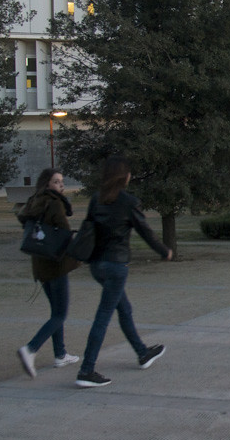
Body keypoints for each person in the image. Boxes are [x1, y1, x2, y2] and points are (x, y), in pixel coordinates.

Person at [74, 155, 173, 388]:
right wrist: (164, 250)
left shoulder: (96, 200)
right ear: (124, 176)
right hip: (116, 266)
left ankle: (142, 352)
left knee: (124, 309)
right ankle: (86, 370)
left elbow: (87, 229)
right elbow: (145, 231)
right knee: (103, 317)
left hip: (97, 265)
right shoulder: (128, 202)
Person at [16, 168, 82, 377]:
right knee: (60, 313)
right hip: (56, 264)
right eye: (56, 182)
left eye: (62, 181)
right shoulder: (54, 203)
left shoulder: (34, 202)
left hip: (40, 264)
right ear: (47, 184)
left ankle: (60, 354)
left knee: (56, 312)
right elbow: (63, 231)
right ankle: (30, 349)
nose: (61, 185)